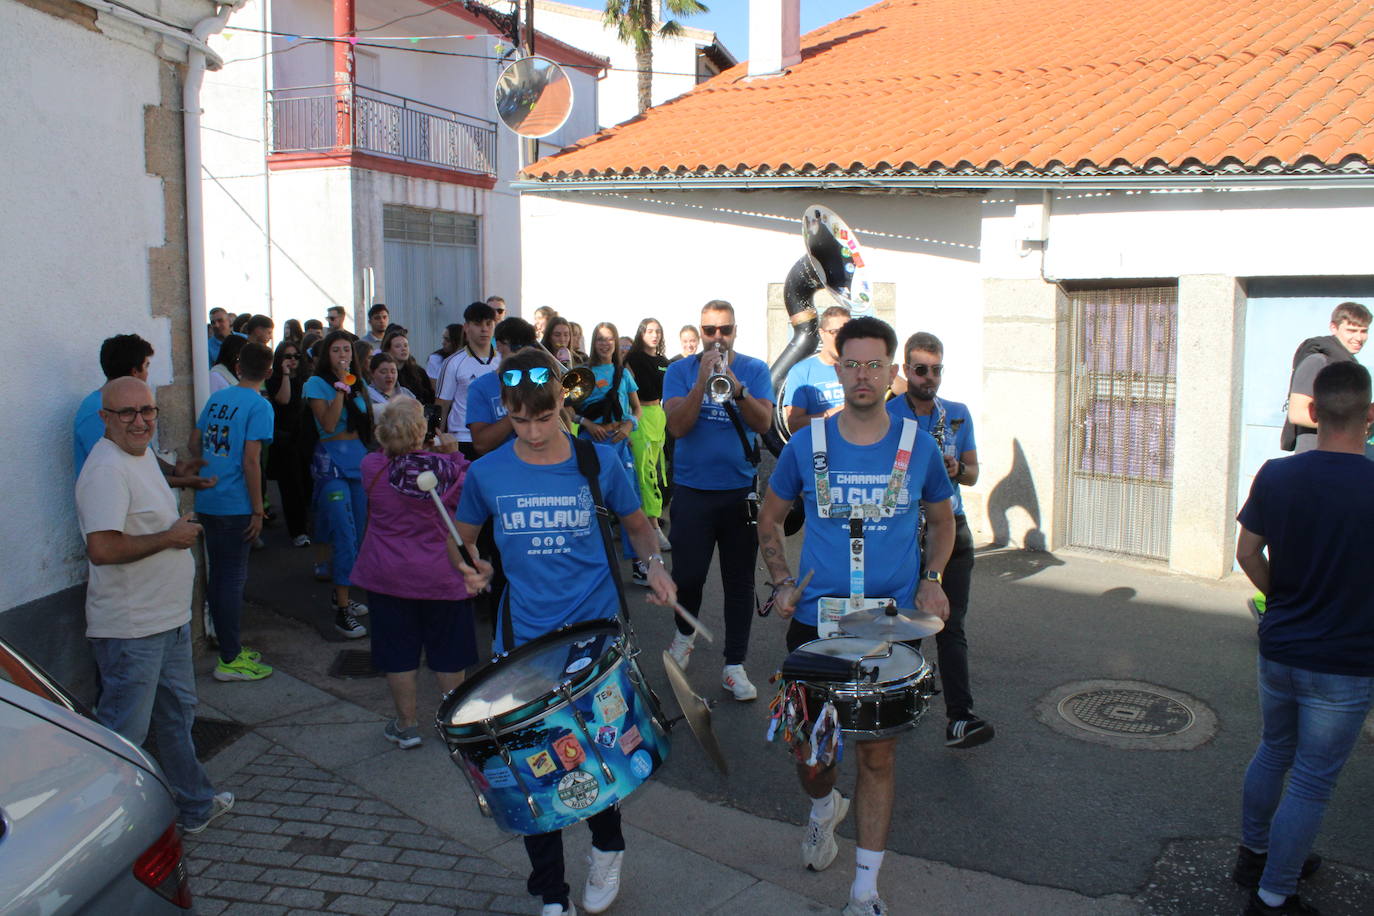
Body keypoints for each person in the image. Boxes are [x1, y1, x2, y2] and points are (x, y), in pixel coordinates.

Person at [450, 347, 675, 916]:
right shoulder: (487, 472)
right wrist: (470, 567)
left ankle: (607, 848)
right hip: (524, 640)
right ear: (505, 409)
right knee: (531, 769)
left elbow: (638, 526)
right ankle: (551, 893)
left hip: (592, 638)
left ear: (562, 403)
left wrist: (654, 567)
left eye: (544, 417)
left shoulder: (595, 461)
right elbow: (462, 539)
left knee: (597, 753)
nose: (531, 431)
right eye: (518, 419)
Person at [757, 316, 955, 916]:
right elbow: (770, 519)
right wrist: (782, 581)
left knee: (877, 753)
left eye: (874, 365)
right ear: (837, 368)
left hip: (891, 625)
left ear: (892, 373)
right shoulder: (806, 443)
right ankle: (824, 807)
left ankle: (865, 890)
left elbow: (942, 521)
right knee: (813, 757)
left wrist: (933, 579)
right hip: (816, 624)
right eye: (852, 364)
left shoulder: (918, 446)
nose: (863, 375)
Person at [1234, 359, 1374, 916]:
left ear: (1312, 411)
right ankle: (1273, 896)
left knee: (1274, 749)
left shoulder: (1276, 473)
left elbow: (1248, 553)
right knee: (1312, 781)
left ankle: (1254, 855)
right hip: (1344, 659)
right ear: (1370, 416)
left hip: (1281, 646)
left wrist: (1283, 599)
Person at [76, 376, 235, 833]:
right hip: (132, 630)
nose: (140, 421)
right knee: (123, 735)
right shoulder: (106, 470)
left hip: (166, 619)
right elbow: (102, 548)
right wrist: (171, 537)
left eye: (147, 410)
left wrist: (175, 514)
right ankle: (105, 833)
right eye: (126, 412)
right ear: (105, 418)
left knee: (176, 719)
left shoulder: (140, 454)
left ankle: (195, 806)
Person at [885, 331, 994, 749]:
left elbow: (973, 473)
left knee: (951, 624)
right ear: (906, 370)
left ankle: (960, 717)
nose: (928, 377)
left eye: (936, 370)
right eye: (920, 369)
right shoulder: (889, 414)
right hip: (907, 529)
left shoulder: (957, 414)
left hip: (952, 526)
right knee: (908, 624)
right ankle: (900, 704)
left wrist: (955, 469)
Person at [662, 300, 775, 700]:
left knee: (739, 581)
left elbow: (764, 423)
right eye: (709, 330)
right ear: (700, 332)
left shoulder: (755, 369)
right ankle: (684, 636)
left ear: (735, 331)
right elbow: (677, 427)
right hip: (692, 491)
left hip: (738, 492)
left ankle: (734, 665)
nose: (717, 338)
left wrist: (736, 387)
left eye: (724, 330)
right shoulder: (679, 371)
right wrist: (701, 382)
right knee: (688, 576)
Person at [350, 397, 476, 750]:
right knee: (449, 652)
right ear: (422, 431)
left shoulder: (371, 466)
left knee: (398, 652)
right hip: (442, 576)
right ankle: (454, 725)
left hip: (388, 575)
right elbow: (469, 492)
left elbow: (394, 463)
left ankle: (407, 725)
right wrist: (453, 455)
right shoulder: (449, 471)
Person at [1250, 301, 1373, 622]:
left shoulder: (1347, 364)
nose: (1359, 337)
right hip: (1312, 461)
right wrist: (1348, 419)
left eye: (1364, 331)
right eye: (1352, 329)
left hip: (1339, 464)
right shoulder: (1317, 361)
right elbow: (1297, 412)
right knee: (1305, 551)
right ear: (1334, 327)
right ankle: (1273, 602)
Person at [188, 342, 276, 682]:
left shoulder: (218, 398)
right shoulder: (260, 405)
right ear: (268, 372)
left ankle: (230, 647)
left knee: (220, 578)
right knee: (231, 581)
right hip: (235, 504)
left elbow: (195, 442)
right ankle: (229, 658)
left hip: (208, 498)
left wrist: (207, 471)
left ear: (238, 368)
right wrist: (258, 510)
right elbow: (252, 461)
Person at [304, 330, 374, 638]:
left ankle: (341, 592)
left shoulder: (358, 383)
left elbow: (366, 423)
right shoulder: (315, 384)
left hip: (357, 460)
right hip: (331, 461)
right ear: (326, 355)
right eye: (336, 350)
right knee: (344, 532)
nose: (343, 355)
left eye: (347, 349)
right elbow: (329, 423)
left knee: (358, 532)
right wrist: (341, 389)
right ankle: (343, 611)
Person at [74, 334, 212, 486]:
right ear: (134, 372)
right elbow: (122, 475)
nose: (147, 373)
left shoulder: (128, 405)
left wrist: (174, 471)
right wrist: (184, 482)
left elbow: (145, 456)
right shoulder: (97, 411)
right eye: (146, 366)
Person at [575, 322, 643, 575]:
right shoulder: (583, 373)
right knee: (592, 503)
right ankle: (595, 562)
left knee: (629, 501)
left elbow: (637, 408)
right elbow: (566, 409)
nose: (605, 344)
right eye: (600, 339)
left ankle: (638, 562)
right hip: (592, 443)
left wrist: (629, 426)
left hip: (619, 442)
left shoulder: (623, 373)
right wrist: (588, 424)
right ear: (593, 343)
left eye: (609, 339)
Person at [625, 318, 671, 552]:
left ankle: (647, 520)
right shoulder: (632, 359)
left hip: (658, 416)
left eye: (658, 331)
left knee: (655, 468)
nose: (654, 335)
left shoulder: (664, 362)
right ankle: (653, 525)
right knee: (645, 472)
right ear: (641, 334)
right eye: (650, 331)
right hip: (639, 416)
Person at [468, 317, 539, 456]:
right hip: (502, 463)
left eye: (527, 347)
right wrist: (518, 412)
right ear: (499, 346)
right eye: (516, 347)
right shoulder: (480, 387)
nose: (522, 354)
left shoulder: (539, 380)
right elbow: (481, 445)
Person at [437, 302, 499, 457]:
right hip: (463, 439)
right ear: (466, 327)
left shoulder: (505, 361)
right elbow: (442, 405)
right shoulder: (453, 362)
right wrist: (437, 441)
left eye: (489, 324)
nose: (484, 329)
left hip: (497, 437)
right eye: (478, 324)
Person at [265, 341, 312, 547]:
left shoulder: (306, 380)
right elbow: (283, 400)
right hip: (284, 441)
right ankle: (297, 531)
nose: (292, 360)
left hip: (304, 439)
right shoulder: (274, 380)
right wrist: (285, 374)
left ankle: (307, 524)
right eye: (287, 356)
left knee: (307, 484)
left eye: (296, 356)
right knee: (291, 488)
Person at [784, 305, 851, 432]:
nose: (842, 338)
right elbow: (794, 425)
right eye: (835, 332)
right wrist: (842, 411)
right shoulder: (801, 371)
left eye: (847, 332)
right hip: (820, 444)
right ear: (821, 333)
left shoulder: (860, 368)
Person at [382, 327, 435, 405]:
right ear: (388, 350)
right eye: (398, 346)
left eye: (406, 345)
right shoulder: (383, 373)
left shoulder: (419, 372)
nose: (403, 349)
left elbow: (430, 398)